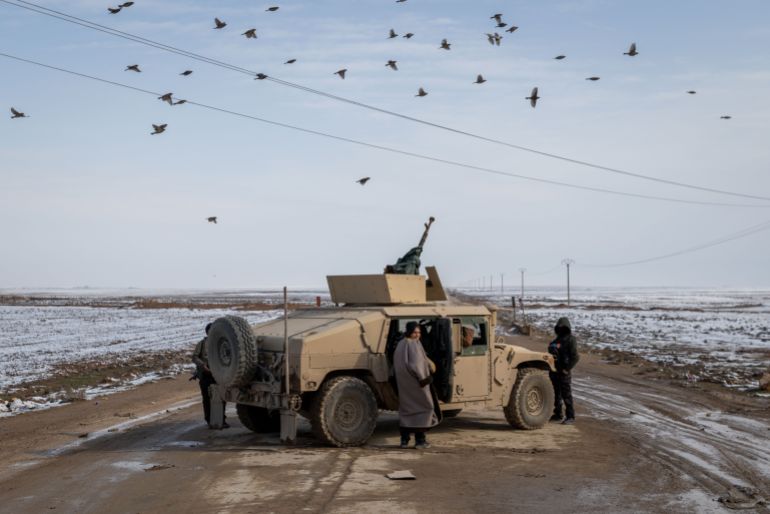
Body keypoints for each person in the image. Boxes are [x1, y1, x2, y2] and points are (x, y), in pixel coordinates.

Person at [393, 321, 438, 449]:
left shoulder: (401, 343)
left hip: (404, 384)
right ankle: (420, 441)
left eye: (419, 332)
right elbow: (417, 365)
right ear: (409, 332)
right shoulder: (414, 345)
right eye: (414, 332)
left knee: (406, 410)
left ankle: (404, 441)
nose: (417, 335)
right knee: (425, 407)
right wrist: (424, 379)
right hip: (417, 384)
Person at [192, 323, 228, 429]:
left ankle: (221, 420)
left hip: (219, 375)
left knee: (221, 397)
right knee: (207, 399)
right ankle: (209, 420)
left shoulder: (222, 343)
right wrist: (203, 365)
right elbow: (194, 357)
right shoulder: (202, 344)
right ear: (208, 332)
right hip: (206, 375)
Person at [548, 317, 579, 425]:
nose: (561, 329)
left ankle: (570, 416)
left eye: (563, 327)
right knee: (557, 394)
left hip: (564, 371)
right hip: (554, 371)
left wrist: (567, 369)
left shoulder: (571, 340)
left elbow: (575, 357)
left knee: (566, 394)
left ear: (567, 327)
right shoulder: (555, 341)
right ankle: (558, 414)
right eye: (559, 327)